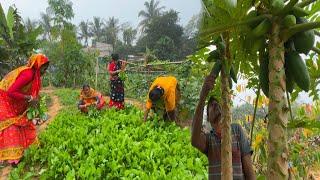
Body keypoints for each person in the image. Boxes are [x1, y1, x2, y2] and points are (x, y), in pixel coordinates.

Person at [191, 74, 256, 180]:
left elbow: (248, 165)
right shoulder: (209, 139)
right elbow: (194, 140)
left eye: (217, 103)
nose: (216, 105)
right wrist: (202, 97)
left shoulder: (236, 129)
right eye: (211, 105)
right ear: (208, 118)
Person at [0, 54, 49, 166]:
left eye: (46, 69)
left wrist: (37, 108)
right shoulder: (28, 74)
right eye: (43, 68)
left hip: (14, 101)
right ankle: (14, 160)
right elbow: (11, 92)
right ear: (37, 66)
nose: (44, 72)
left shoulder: (35, 76)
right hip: (4, 100)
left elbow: (34, 94)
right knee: (12, 126)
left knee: (24, 121)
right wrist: (29, 98)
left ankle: (29, 149)